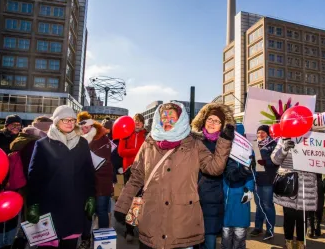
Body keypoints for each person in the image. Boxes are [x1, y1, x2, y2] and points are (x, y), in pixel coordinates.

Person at [113, 102, 234, 249]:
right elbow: (136, 177)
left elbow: (215, 168)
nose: (167, 120)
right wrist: (122, 206)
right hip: (151, 220)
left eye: (172, 117)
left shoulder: (194, 144)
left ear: (181, 119)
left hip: (182, 224)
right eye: (164, 116)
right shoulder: (149, 143)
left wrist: (225, 140)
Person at [27, 105, 95, 249]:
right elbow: (35, 176)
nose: (70, 123)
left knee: (69, 244)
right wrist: (33, 204)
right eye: (66, 120)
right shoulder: (43, 144)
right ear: (56, 121)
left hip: (74, 205)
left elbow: (88, 172)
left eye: (73, 120)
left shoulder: (82, 143)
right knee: (48, 245)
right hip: (49, 206)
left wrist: (90, 196)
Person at [191, 103, 235, 249]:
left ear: (222, 125)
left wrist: (244, 170)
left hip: (212, 201)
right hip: (190, 199)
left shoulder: (227, 144)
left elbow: (230, 173)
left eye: (217, 121)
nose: (212, 123)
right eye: (210, 119)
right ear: (203, 120)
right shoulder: (192, 141)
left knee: (209, 243)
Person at [8, 116, 53, 249]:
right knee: (36, 216)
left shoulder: (23, 139)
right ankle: (33, 240)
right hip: (36, 186)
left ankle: (23, 238)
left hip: (23, 184)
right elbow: (36, 168)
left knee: (26, 214)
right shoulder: (36, 144)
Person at [271, 138, 318, 249]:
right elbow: (275, 160)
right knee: (289, 216)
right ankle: (289, 242)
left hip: (306, 185)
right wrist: (284, 148)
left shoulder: (314, 138)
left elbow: (321, 159)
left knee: (302, 217)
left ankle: (301, 243)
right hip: (289, 183)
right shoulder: (284, 138)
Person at [77, 111, 113, 249]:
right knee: (86, 212)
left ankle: (104, 242)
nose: (84, 129)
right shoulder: (78, 138)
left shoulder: (102, 138)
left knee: (101, 211)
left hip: (101, 182)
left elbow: (104, 162)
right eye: (81, 126)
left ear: (92, 124)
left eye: (86, 125)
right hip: (84, 183)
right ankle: (86, 239)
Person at [117, 113, 147, 242]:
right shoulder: (126, 135)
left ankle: (132, 226)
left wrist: (137, 150)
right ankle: (129, 229)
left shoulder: (147, 136)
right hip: (127, 171)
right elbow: (120, 152)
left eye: (140, 121)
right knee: (127, 200)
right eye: (136, 121)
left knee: (137, 201)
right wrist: (137, 151)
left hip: (142, 172)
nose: (138, 123)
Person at [0, 114, 23, 249]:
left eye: (18, 124)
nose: (16, 127)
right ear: (7, 125)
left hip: (14, 182)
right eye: (13, 124)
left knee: (12, 214)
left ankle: (9, 242)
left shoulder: (21, 139)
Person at [250, 125, 278, 240]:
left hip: (268, 180)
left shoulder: (273, 145)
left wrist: (265, 162)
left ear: (268, 133)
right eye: (258, 132)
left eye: (263, 132)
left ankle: (270, 230)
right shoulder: (255, 144)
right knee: (259, 205)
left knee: (267, 205)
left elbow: (276, 162)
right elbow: (255, 162)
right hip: (257, 179)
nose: (260, 135)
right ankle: (258, 227)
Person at [221, 156, 254, 249]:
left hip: (241, 198)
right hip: (226, 196)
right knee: (226, 233)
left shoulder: (248, 152)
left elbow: (251, 173)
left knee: (239, 233)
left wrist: (249, 189)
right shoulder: (225, 149)